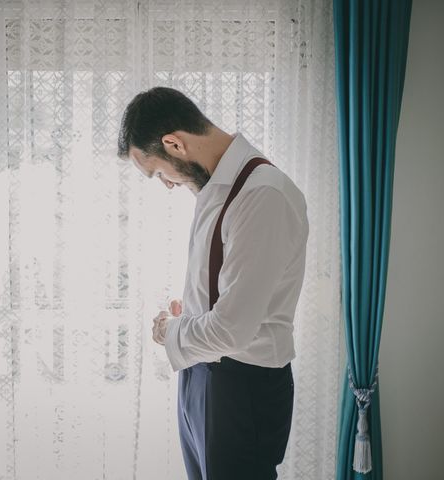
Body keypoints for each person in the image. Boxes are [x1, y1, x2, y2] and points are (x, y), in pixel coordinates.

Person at [117, 86, 309, 480]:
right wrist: (191, 314)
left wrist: (172, 331)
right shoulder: (218, 189)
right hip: (204, 376)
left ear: (174, 143)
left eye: (157, 172)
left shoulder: (262, 194)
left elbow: (233, 330)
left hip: (241, 388)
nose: (166, 183)